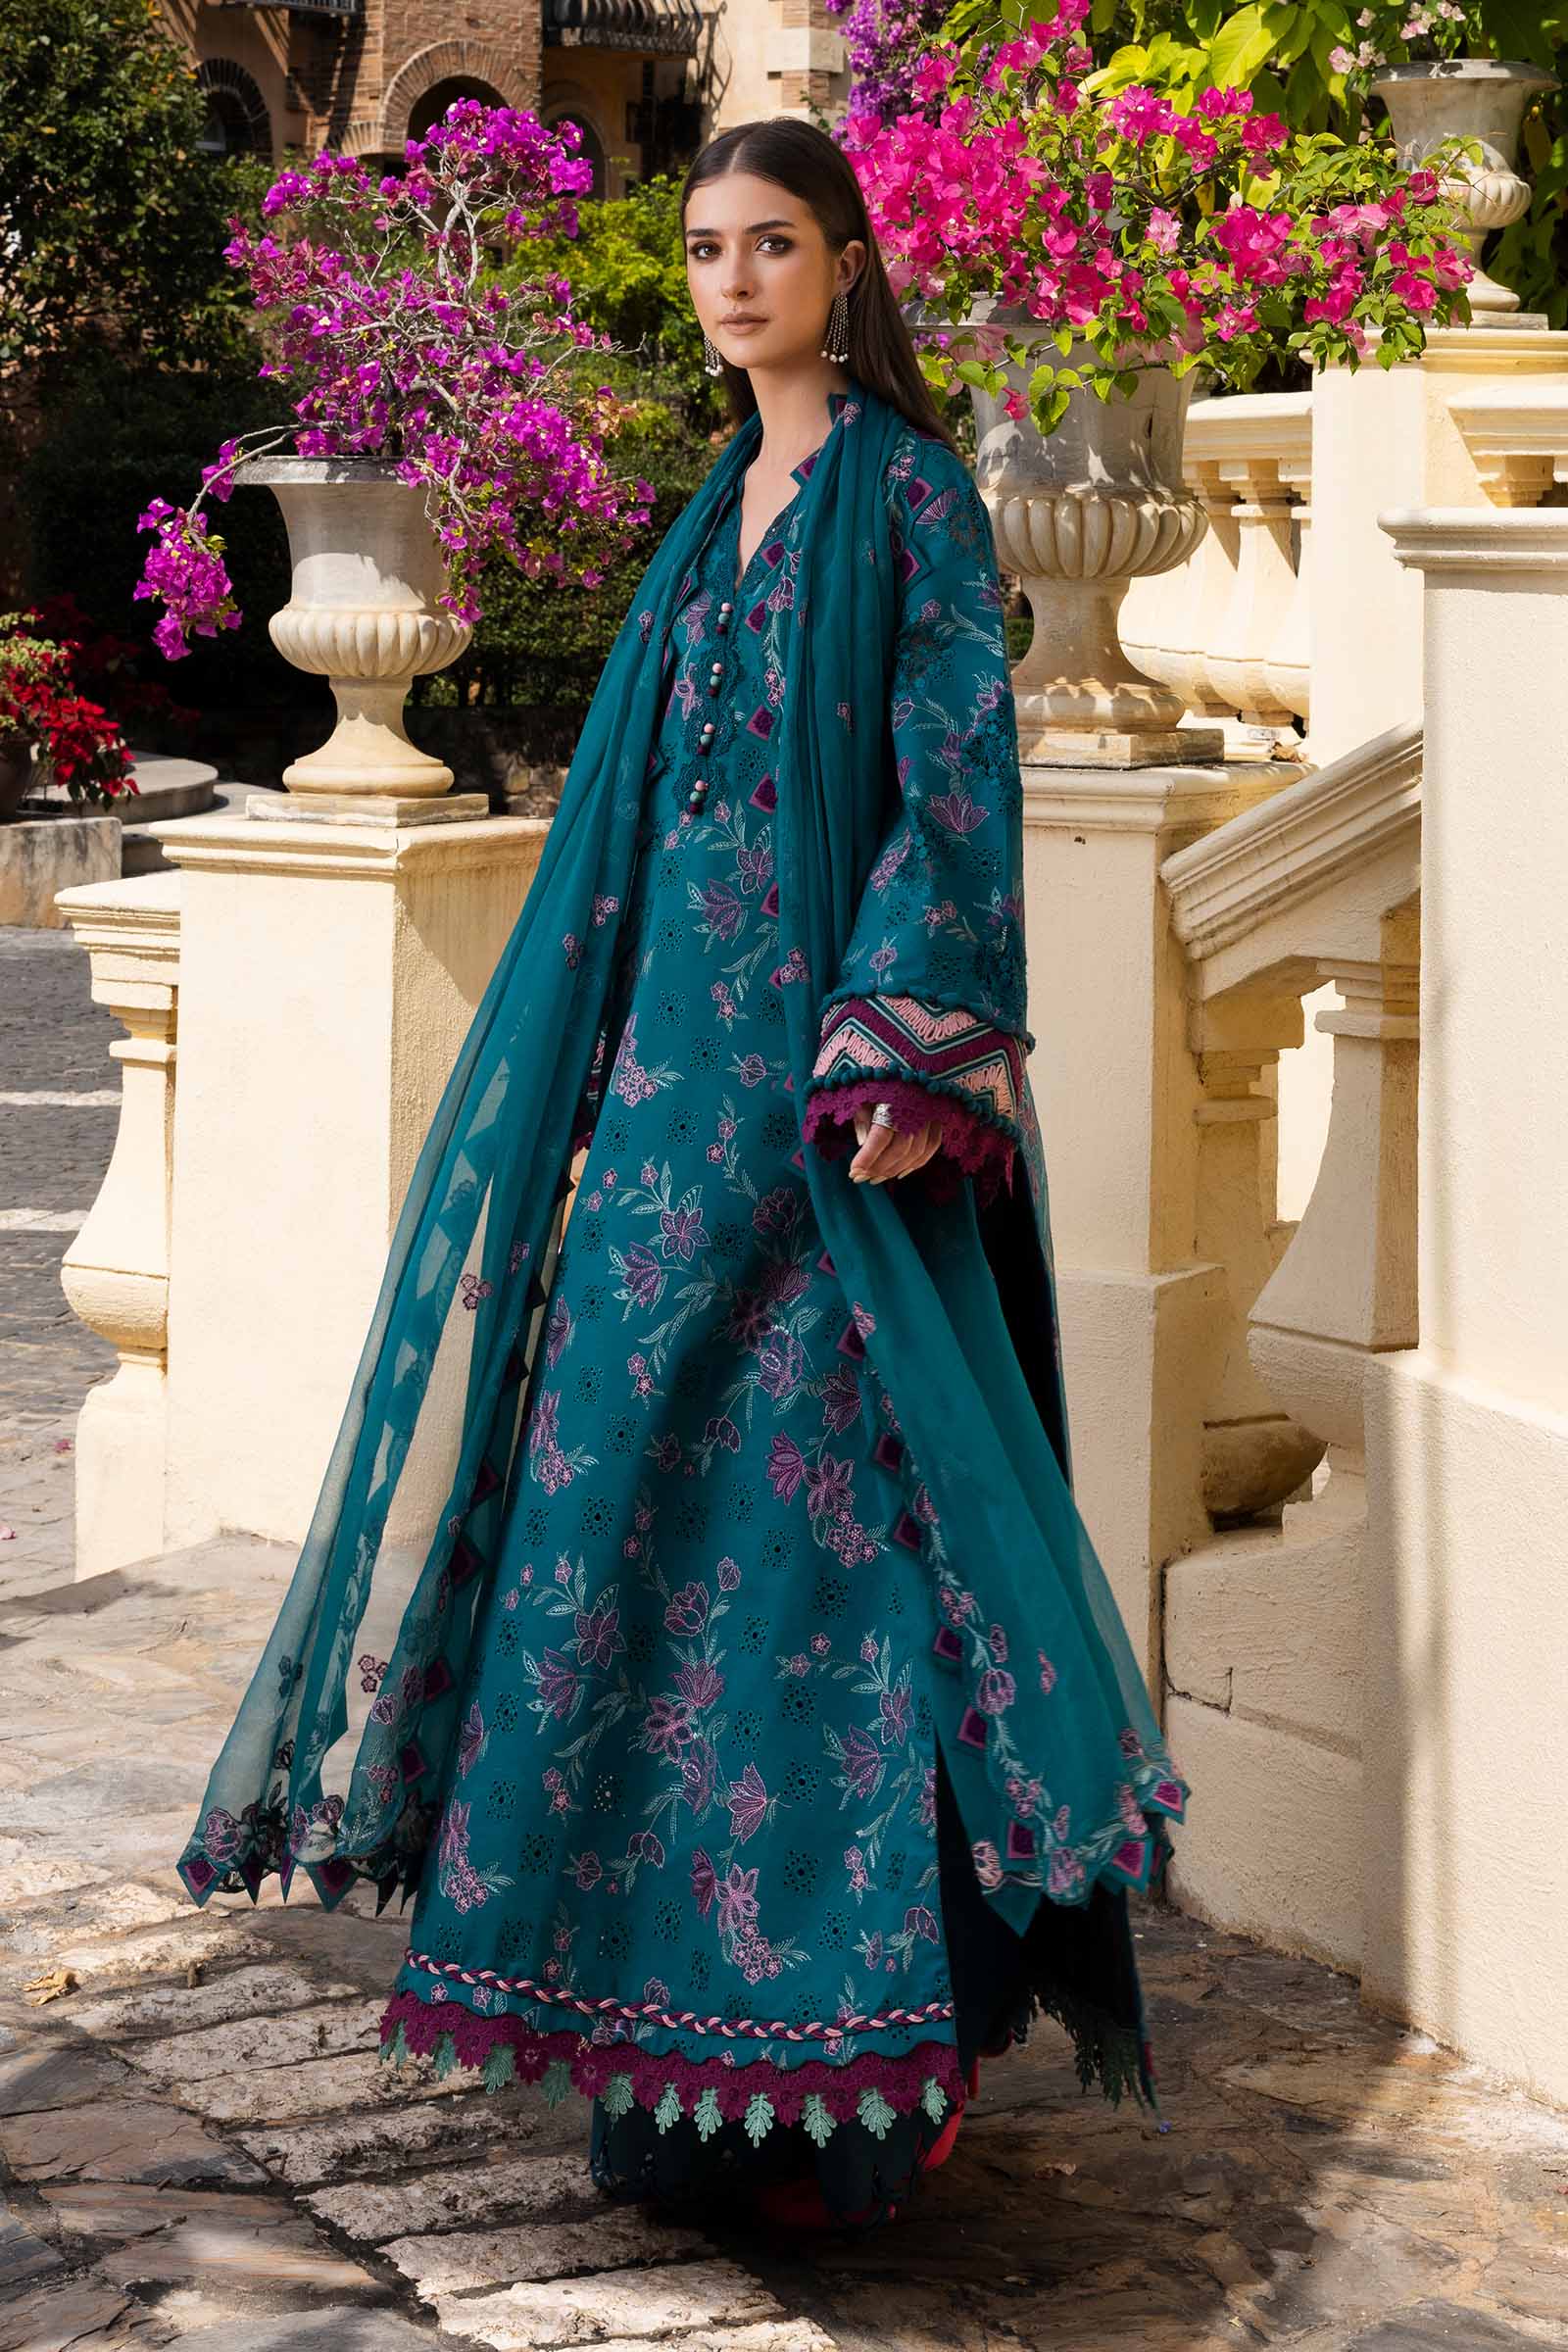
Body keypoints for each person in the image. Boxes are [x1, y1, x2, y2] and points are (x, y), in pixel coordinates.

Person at [174, 117, 1189, 2232]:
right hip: (661, 1112)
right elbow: (638, 826)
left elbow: (952, 778)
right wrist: (587, 1089)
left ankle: (859, 2081)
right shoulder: (709, 517)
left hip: (827, 1117)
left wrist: (906, 1044)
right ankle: (667, 2071)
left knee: (826, 1563)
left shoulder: (909, 496)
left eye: (771, 243)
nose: (734, 280)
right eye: (709, 246)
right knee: (619, 1525)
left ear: (845, 264)